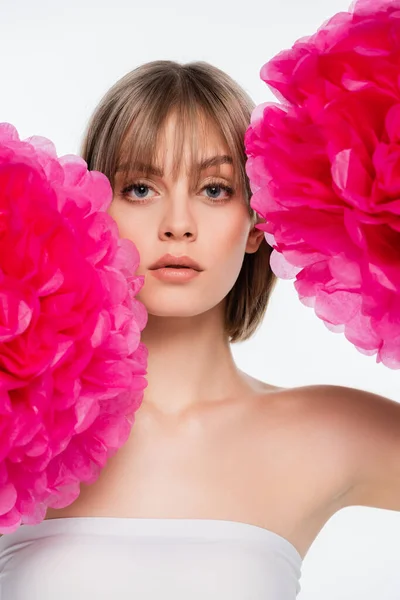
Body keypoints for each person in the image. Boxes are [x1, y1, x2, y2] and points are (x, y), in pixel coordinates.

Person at [0, 60, 399, 600]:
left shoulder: (332, 432)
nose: (178, 223)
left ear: (259, 221)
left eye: (215, 190)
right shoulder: (16, 427)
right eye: (140, 188)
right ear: (91, 209)